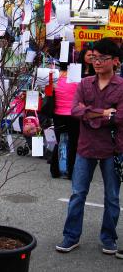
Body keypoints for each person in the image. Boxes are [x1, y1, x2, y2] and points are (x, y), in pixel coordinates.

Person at [56, 38, 123, 255]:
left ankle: (109, 238)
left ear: (115, 62)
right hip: (85, 147)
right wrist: (104, 112)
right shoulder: (85, 84)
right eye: (94, 57)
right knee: (77, 193)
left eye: (102, 58)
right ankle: (71, 236)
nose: (97, 62)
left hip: (112, 149)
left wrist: (90, 113)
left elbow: (120, 117)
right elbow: (75, 111)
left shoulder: (121, 87)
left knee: (112, 196)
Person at [49, 60, 79, 180]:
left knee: (58, 141)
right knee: (73, 143)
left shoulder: (55, 78)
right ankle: (71, 171)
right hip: (73, 115)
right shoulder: (75, 80)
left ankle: (54, 170)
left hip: (57, 114)